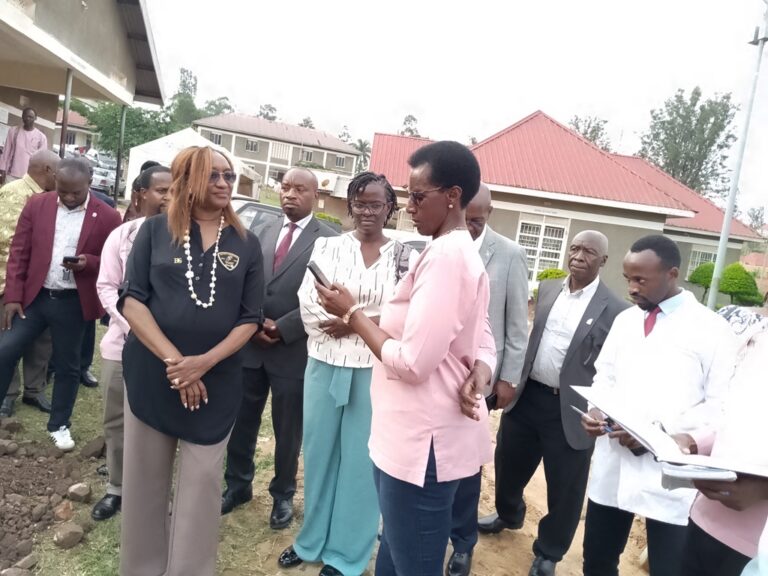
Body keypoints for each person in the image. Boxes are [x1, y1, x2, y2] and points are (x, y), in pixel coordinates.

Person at [315, 141, 497, 576]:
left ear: (452, 196)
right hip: (412, 435)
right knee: (395, 555)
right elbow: (480, 331)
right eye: (407, 195)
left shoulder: (447, 257)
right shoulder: (448, 251)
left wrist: (353, 314)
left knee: (411, 562)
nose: (408, 207)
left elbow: (414, 363)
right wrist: (482, 367)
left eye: (417, 196)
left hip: (422, 444)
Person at [118, 147, 264, 576]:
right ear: (187, 180)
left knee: (202, 485)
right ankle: (142, 569)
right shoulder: (154, 231)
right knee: (145, 484)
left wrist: (203, 364)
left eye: (229, 176)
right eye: (213, 175)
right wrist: (177, 363)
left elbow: (250, 319)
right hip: (153, 375)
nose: (223, 183)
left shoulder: (246, 242)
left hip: (216, 382)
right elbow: (133, 301)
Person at [278, 172, 417, 576]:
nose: (367, 211)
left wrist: (354, 319)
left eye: (376, 204)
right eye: (360, 203)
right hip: (324, 363)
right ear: (350, 205)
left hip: (375, 372)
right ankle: (311, 541)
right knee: (318, 454)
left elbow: (407, 316)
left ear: (390, 208)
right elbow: (308, 302)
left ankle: (346, 555)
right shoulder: (328, 246)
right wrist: (355, 319)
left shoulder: (406, 259)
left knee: (360, 464)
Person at [581, 234, 738, 576]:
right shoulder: (626, 321)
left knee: (669, 568)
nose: (632, 288)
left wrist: (661, 437)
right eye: (628, 279)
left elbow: (721, 405)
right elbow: (605, 377)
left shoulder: (712, 330)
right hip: (615, 462)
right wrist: (596, 412)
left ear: (672, 274)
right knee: (597, 561)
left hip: (671, 475)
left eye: (641, 280)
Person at [477, 230, 627, 576]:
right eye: (574, 248)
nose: (578, 256)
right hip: (528, 396)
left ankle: (549, 550)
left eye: (589, 252)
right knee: (508, 464)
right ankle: (509, 514)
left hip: (571, 409)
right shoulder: (547, 289)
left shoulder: (616, 309)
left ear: (603, 260)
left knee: (565, 487)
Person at [222, 167, 337, 528]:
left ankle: (282, 494)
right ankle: (237, 485)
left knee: (288, 430)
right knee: (241, 421)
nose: (290, 194)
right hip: (251, 345)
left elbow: (328, 298)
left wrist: (284, 328)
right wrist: (254, 323)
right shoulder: (261, 230)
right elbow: (246, 283)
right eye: (285, 187)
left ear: (316, 196)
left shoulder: (330, 241)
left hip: (293, 350)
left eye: (300, 189)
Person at [0, 158, 121, 449]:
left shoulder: (108, 216)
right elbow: (19, 251)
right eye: (62, 190)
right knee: (5, 350)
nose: (68, 197)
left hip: (72, 302)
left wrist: (87, 262)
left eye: (75, 192)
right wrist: (13, 296)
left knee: (68, 366)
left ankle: (59, 425)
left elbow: (111, 259)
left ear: (89, 184)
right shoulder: (37, 205)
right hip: (36, 298)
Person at [446, 182, 530, 576]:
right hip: (435, 376)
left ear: (490, 213)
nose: (469, 228)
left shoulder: (509, 255)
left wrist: (508, 379)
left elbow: (517, 326)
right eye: (464, 219)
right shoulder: (440, 244)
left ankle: (462, 543)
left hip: (479, 380)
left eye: (477, 221)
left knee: (467, 467)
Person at [90, 165, 172, 522]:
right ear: (140, 195)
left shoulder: (186, 240)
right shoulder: (122, 236)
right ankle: (117, 487)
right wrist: (132, 326)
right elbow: (107, 286)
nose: (169, 197)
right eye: (161, 191)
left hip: (169, 351)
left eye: (174, 191)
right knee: (116, 419)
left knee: (160, 423)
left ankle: (155, 492)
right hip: (121, 345)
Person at [676, 306, 768, 576]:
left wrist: (764, 490)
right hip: (706, 516)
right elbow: (736, 416)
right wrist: (693, 441)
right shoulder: (757, 339)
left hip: (756, 548)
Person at [0, 150, 60, 417]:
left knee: (42, 340)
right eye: (58, 172)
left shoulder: (53, 197)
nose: (61, 178)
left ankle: (35, 390)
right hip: (11, 283)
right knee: (8, 338)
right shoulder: (14, 193)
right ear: (47, 170)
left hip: (42, 284)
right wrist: (13, 288)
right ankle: (8, 393)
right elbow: (8, 244)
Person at [0, 108, 48, 185]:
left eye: (30, 117)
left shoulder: (41, 137)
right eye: (26, 116)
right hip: (11, 174)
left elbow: (42, 159)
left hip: (29, 177)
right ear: (22, 116)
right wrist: (2, 169)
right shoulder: (13, 131)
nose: (28, 119)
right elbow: (6, 151)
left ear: (35, 118)